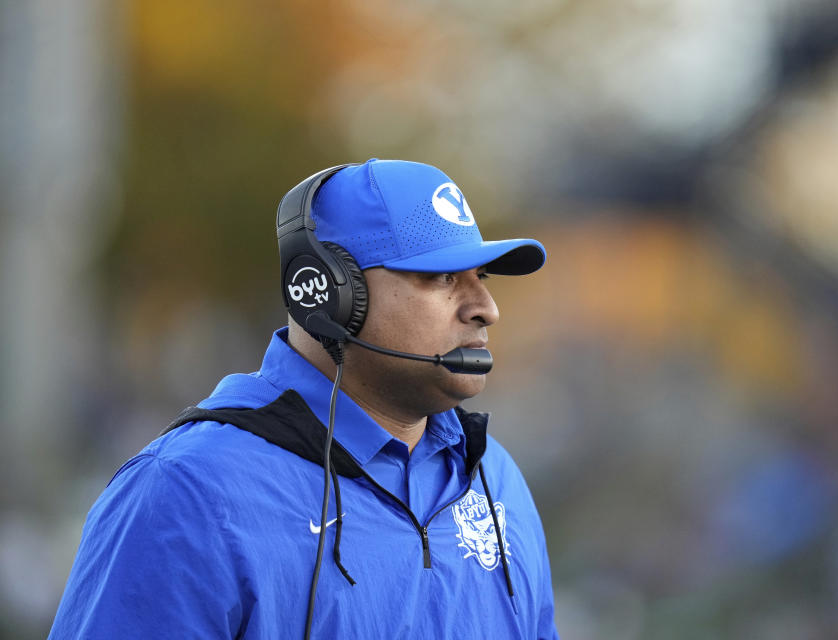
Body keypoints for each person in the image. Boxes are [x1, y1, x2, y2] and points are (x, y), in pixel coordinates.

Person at [49, 159, 558, 639]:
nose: (485, 309)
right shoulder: (188, 491)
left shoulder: (494, 479)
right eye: (442, 277)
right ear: (329, 292)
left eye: (481, 278)